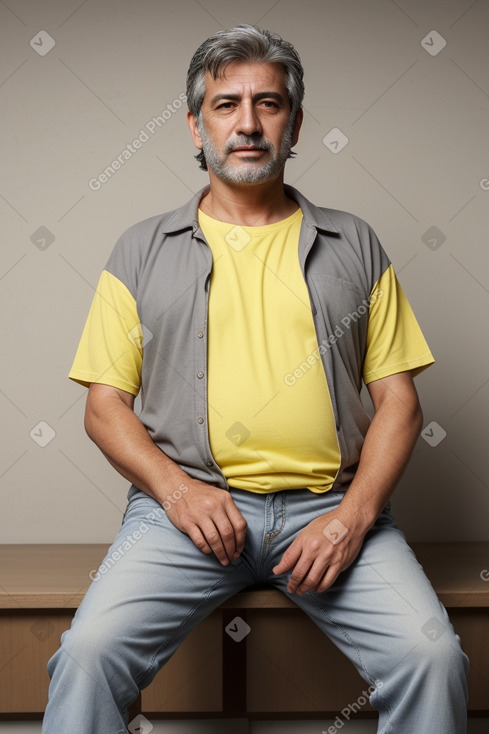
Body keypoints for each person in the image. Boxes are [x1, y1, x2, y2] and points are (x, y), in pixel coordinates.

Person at [42, 24, 469, 734]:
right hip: (181, 517)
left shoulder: (354, 242)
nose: (246, 123)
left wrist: (353, 518)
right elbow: (104, 405)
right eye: (225, 104)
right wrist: (177, 493)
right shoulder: (139, 250)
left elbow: (398, 401)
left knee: (433, 660)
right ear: (194, 124)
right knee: (87, 654)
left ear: (294, 123)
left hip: (330, 508)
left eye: (267, 104)